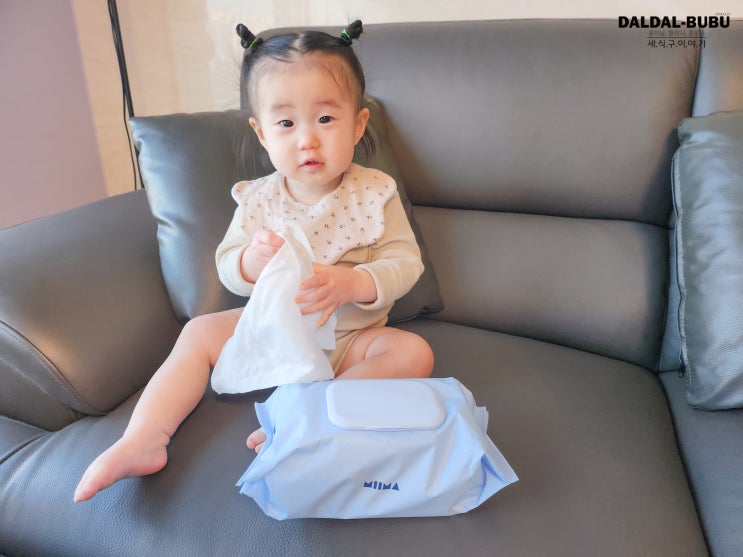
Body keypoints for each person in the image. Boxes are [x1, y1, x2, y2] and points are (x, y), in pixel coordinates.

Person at [73, 20, 434, 503]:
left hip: (352, 341)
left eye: (325, 119)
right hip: (272, 331)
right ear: (262, 134)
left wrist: (355, 283)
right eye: (286, 124)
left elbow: (405, 261)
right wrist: (251, 260)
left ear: (358, 124)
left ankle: (304, 418)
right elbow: (228, 268)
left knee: (414, 352)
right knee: (198, 332)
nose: (307, 140)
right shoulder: (259, 200)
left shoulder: (373, 192)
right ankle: (144, 438)